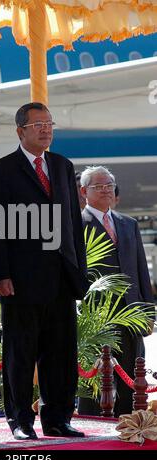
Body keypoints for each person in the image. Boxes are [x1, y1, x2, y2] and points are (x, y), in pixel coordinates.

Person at [0, 102, 89, 440]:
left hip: (60, 277)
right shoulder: (3, 170)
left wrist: (79, 272)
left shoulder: (61, 166)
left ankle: (57, 418)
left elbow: (73, 223)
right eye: (38, 124)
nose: (46, 130)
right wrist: (0, 274)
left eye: (49, 123)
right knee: (21, 353)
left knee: (60, 352)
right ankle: (19, 421)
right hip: (21, 280)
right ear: (20, 131)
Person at [78, 165, 154, 417]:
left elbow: (141, 271)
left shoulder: (128, 224)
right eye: (98, 186)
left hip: (131, 314)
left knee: (133, 377)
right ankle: (94, 425)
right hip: (96, 318)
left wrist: (148, 314)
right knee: (96, 380)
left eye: (109, 185)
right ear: (83, 191)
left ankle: (131, 424)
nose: (105, 190)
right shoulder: (76, 225)